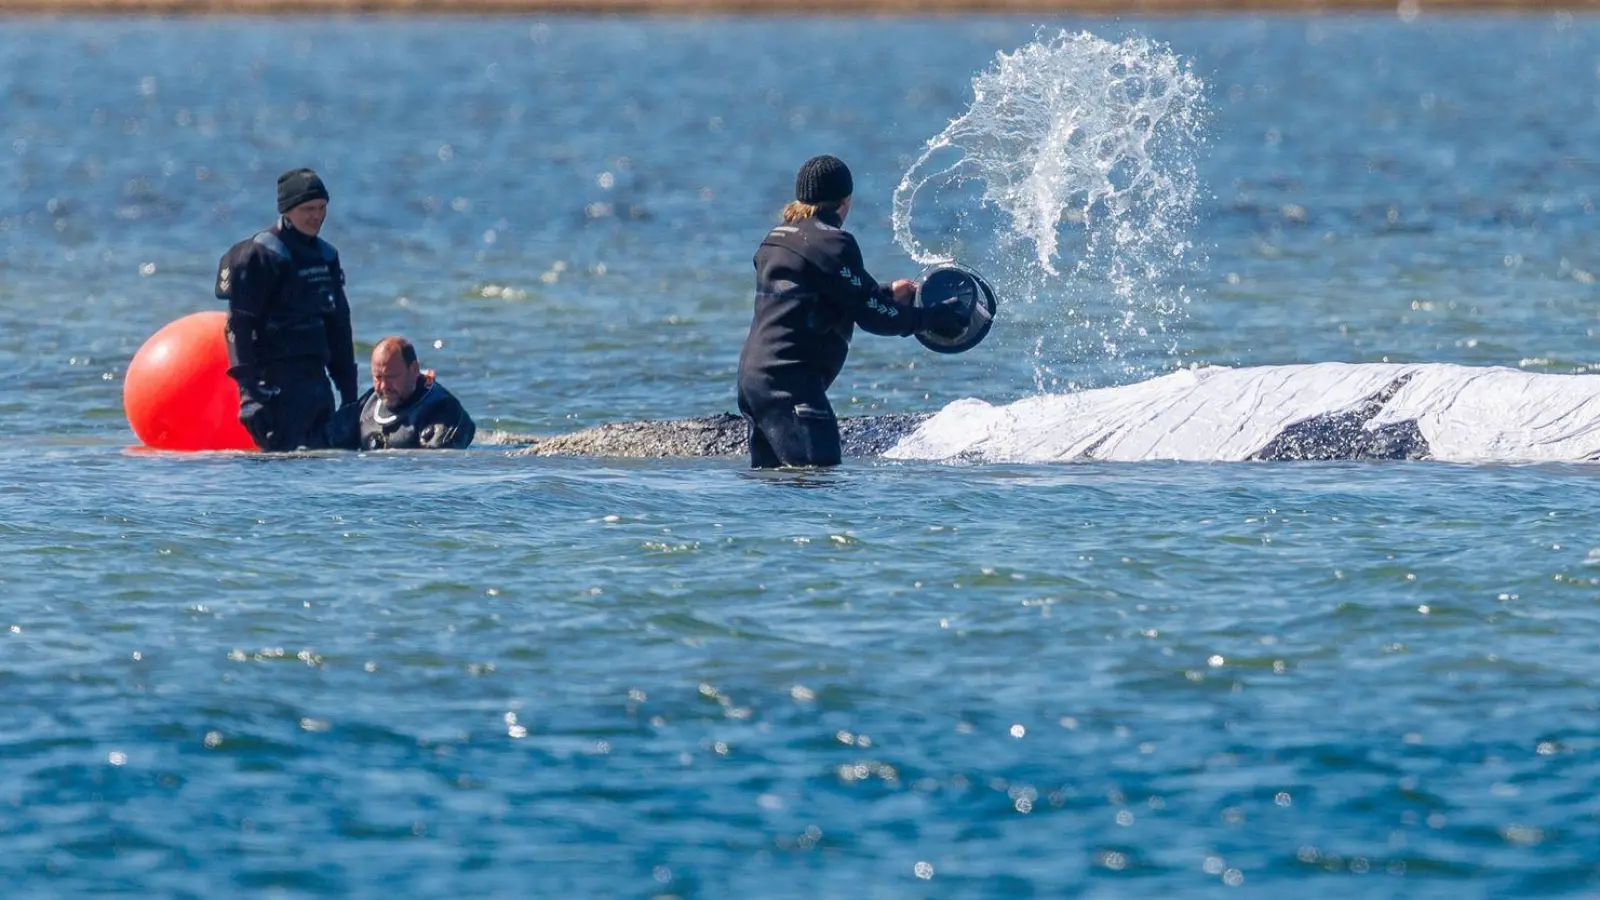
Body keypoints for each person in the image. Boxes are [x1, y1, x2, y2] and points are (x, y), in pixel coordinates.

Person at [735, 154, 968, 469]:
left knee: (775, 492)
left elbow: (823, 298)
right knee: (820, 479)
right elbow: (875, 317)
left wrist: (885, 293)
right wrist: (931, 318)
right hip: (790, 386)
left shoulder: (775, 240)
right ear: (846, 200)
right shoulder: (833, 243)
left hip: (753, 381)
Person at [215, 167, 357, 452]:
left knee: (324, 475)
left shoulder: (327, 256)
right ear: (286, 210)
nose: (317, 216)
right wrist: (249, 396)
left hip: (317, 386)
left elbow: (339, 328)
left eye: (322, 208)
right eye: (308, 208)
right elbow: (238, 327)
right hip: (274, 391)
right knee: (286, 480)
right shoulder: (260, 255)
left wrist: (351, 396)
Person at [326, 337, 475, 450]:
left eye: (391, 377)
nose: (384, 386)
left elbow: (437, 471)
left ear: (414, 369)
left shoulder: (443, 411)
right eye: (378, 377)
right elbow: (322, 445)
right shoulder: (367, 407)